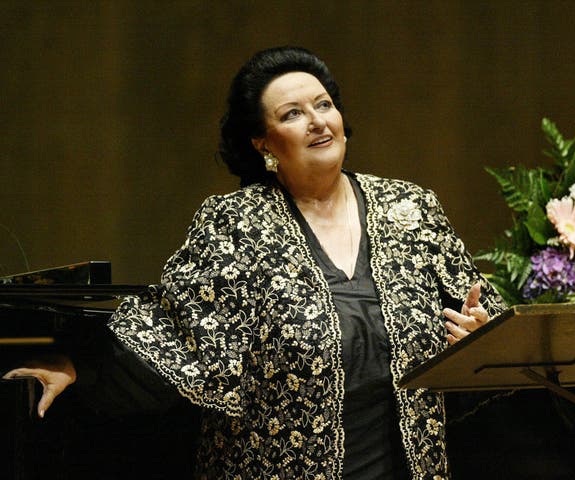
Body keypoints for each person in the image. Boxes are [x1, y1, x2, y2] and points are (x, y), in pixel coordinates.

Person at [3, 46, 505, 479]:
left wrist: (479, 336)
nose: (316, 121)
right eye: (291, 114)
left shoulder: (410, 208)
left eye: (324, 105)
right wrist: (77, 365)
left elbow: (489, 326)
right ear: (262, 144)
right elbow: (173, 331)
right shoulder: (236, 223)